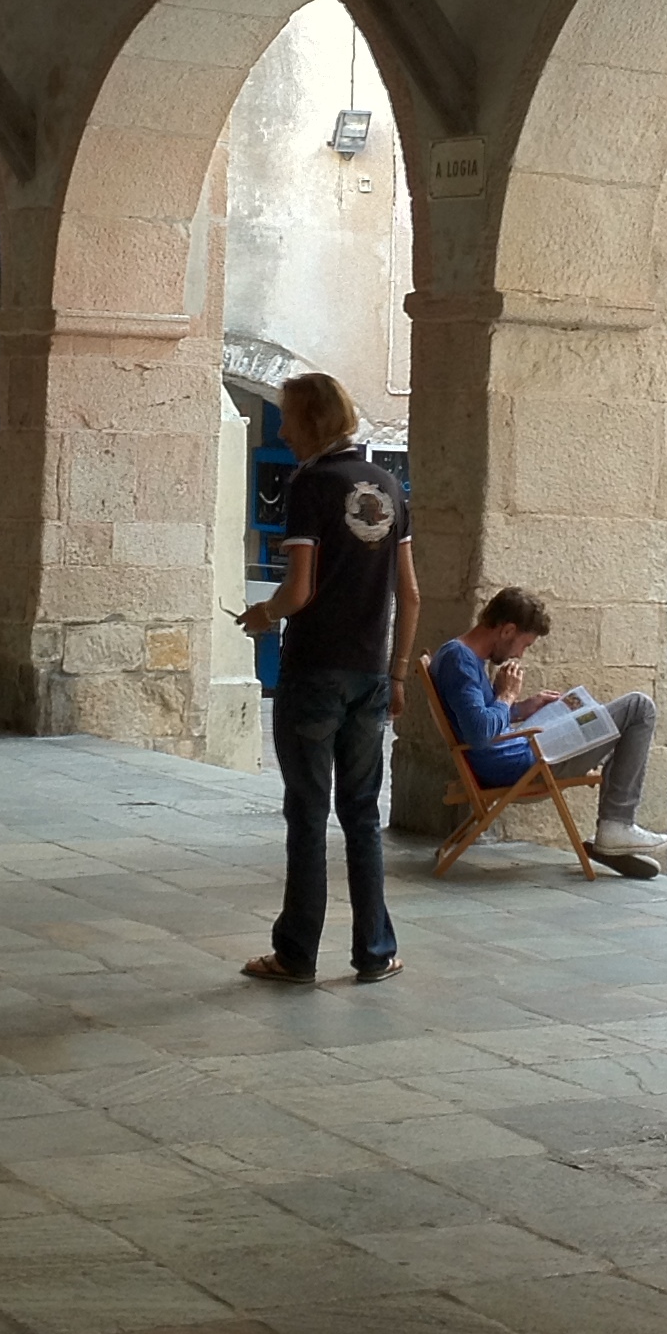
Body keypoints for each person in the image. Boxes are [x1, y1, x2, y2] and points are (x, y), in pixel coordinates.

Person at [235, 374, 415, 986]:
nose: (281, 429)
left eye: (287, 418)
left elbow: (300, 590)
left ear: (311, 420)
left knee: (309, 814)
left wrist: (262, 615)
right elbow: (409, 595)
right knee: (361, 814)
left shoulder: (310, 485)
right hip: (369, 672)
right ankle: (375, 951)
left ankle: (296, 953)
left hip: (314, 671)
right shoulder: (389, 486)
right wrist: (396, 674)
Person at [428, 587, 667, 877]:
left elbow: (478, 721)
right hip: (518, 766)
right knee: (639, 708)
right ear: (507, 630)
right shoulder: (461, 662)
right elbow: (479, 734)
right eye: (524, 645)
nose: (520, 653)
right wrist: (505, 696)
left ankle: (614, 829)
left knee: (604, 718)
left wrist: (523, 708)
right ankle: (615, 825)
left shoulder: (459, 655)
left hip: (518, 753)